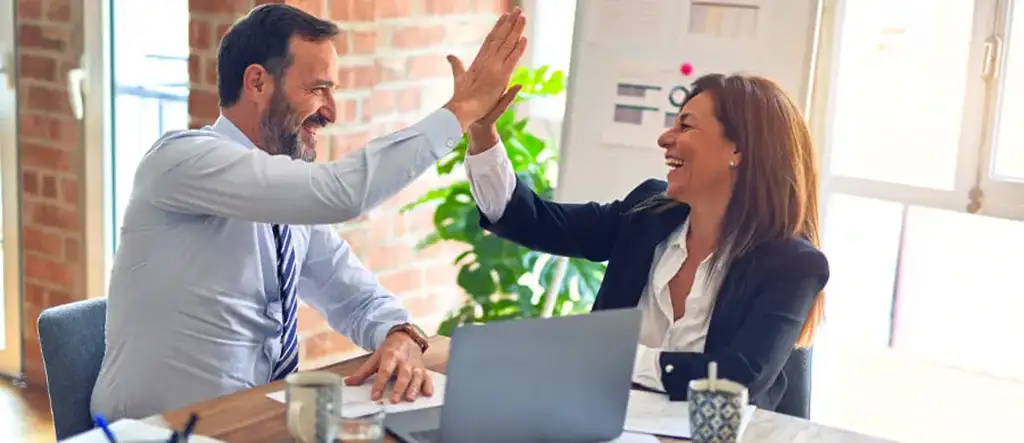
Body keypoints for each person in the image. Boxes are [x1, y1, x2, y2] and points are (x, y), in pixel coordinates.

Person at [91, 4, 527, 420]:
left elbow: (355, 297)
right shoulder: (182, 161)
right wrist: (462, 110)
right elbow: (341, 193)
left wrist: (399, 334)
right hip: (159, 431)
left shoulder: (286, 202)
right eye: (318, 89)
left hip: (254, 421)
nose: (330, 112)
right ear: (257, 82)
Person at [463, 73, 829, 412]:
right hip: (605, 425)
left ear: (738, 150)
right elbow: (534, 220)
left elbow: (739, 376)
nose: (664, 138)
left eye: (685, 126)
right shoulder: (647, 214)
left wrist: (614, 357)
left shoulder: (792, 264)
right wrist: (482, 134)